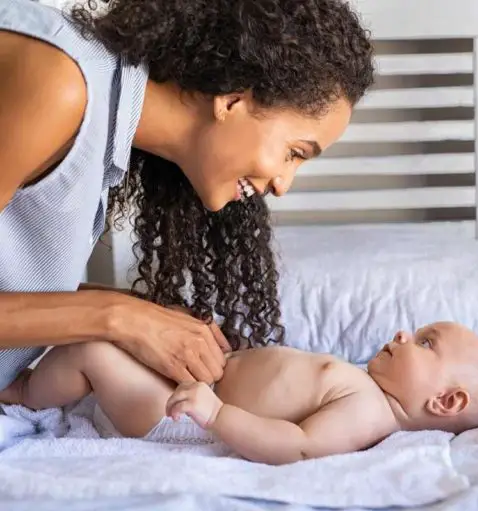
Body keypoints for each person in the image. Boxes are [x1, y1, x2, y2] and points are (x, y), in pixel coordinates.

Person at [0, 0, 375, 389]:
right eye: (293, 153)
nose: (283, 184)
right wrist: (118, 317)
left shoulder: (102, 112)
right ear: (232, 100)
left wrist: (144, 315)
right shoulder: (57, 83)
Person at [0, 322, 478, 464]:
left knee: (93, 348)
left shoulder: (368, 412)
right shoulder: (365, 384)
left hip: (177, 420)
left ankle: (19, 391)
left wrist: (216, 413)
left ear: (446, 402)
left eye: (425, 342)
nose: (403, 334)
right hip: (195, 392)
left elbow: (299, 445)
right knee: (127, 338)